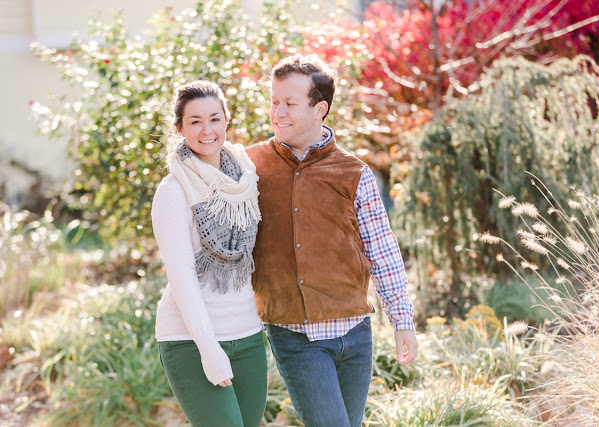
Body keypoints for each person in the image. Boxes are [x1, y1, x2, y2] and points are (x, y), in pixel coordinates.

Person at [246, 54, 419, 427]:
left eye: (290, 103)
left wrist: (402, 320)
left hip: (355, 333)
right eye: (274, 101)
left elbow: (382, 249)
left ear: (319, 108)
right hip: (294, 334)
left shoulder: (354, 172)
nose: (278, 112)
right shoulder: (250, 166)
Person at [151, 80, 266, 427]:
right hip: (191, 340)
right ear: (180, 128)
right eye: (195, 121)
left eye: (214, 119)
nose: (207, 130)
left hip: (246, 334)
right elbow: (182, 276)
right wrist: (208, 348)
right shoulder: (173, 192)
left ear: (226, 120)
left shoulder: (246, 179)